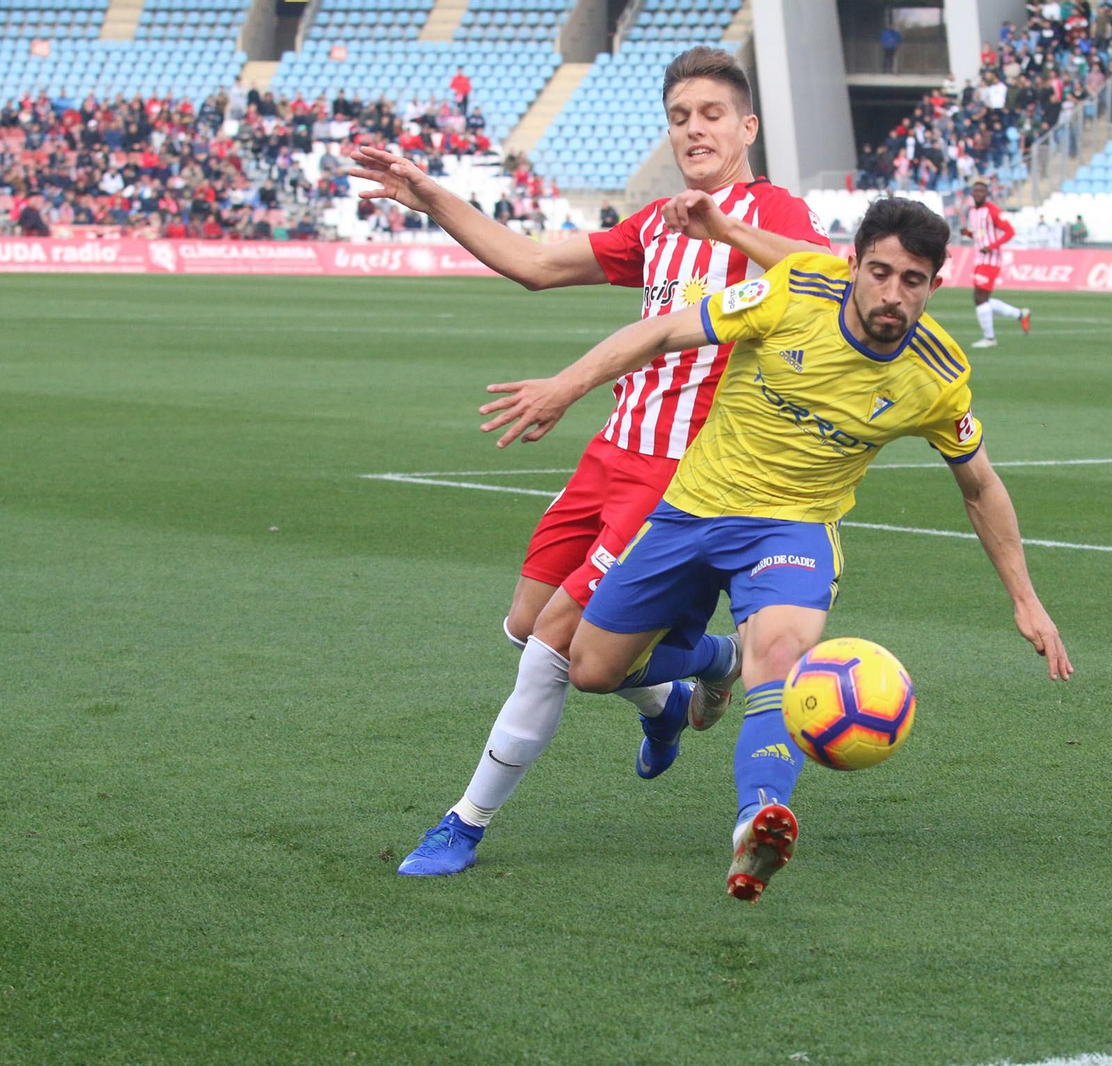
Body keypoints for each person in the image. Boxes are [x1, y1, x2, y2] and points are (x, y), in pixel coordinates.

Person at [478, 197, 1074, 902]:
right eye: (878, 271)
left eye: (911, 280)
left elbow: (981, 487)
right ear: (851, 265)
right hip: (693, 507)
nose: (891, 293)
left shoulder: (937, 376)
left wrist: (1026, 601)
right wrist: (567, 384)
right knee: (591, 669)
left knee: (782, 661)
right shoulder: (794, 291)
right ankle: (713, 659)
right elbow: (667, 328)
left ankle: (757, 822)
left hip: (794, 530)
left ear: (934, 286)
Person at [351, 46, 831, 877]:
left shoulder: (773, 212)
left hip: (679, 480)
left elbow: (830, 277)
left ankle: (465, 824)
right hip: (613, 453)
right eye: (680, 117)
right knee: (519, 623)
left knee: (550, 649)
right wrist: (429, 195)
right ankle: (692, 680)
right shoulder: (655, 224)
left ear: (748, 126)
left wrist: (729, 230)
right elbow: (535, 265)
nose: (694, 130)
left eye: (712, 114)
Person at [963, 180, 1029, 349]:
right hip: (979, 258)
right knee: (983, 299)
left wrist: (991, 247)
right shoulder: (971, 211)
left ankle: (990, 338)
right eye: (975, 191)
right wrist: (968, 233)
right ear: (971, 194)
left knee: (979, 298)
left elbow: (1010, 232)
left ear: (987, 194)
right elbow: (980, 236)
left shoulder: (993, 211)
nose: (978, 194)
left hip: (991, 260)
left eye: (981, 191)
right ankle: (1020, 314)